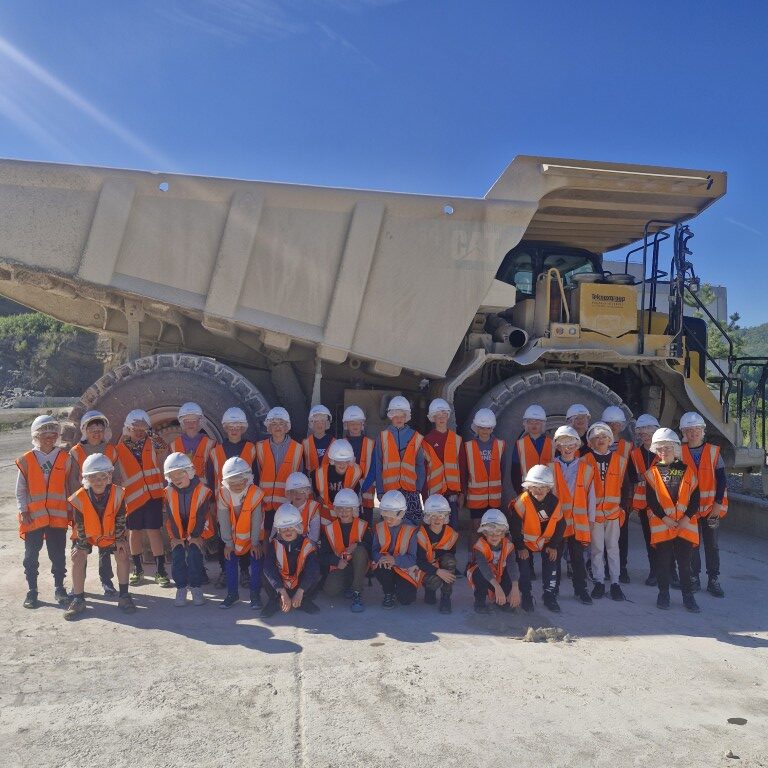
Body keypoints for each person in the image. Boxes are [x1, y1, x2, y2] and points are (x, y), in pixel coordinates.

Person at [64, 453, 136, 619]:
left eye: (103, 476)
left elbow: (120, 518)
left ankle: (124, 596)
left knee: (122, 553)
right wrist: (81, 545)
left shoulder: (118, 493)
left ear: (109, 476)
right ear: (86, 478)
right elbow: (79, 524)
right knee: (78, 557)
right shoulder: (79, 496)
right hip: (87, 534)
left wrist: (120, 540)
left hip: (110, 533)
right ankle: (78, 599)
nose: (99, 481)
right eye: (94, 477)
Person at [15, 415, 71, 609]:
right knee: (30, 556)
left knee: (58, 555)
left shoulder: (64, 457)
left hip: (57, 515)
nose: (49, 438)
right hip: (34, 516)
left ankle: (59, 588)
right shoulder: (27, 459)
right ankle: (32, 591)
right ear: (36, 436)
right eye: (44, 434)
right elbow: (21, 489)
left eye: (53, 434)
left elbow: (69, 486)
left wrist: (70, 510)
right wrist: (23, 509)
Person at [643, 428, 701, 612]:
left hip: (684, 525)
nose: (664, 451)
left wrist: (686, 518)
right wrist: (665, 518)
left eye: (667, 447)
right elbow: (651, 500)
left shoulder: (687, 471)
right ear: (655, 450)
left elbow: (695, 498)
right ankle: (663, 594)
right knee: (663, 563)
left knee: (685, 565)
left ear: (675, 448)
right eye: (660, 448)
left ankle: (688, 597)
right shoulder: (652, 473)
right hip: (663, 525)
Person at [114, 409, 169, 587]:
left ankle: (161, 570)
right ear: (127, 429)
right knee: (134, 532)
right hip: (133, 497)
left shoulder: (152, 442)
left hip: (153, 495)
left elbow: (164, 447)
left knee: (154, 531)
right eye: (134, 429)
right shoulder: (119, 448)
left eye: (142, 429)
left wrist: (150, 431)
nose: (138, 432)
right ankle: (137, 569)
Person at [68, 410, 120, 596]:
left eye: (100, 429)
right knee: (80, 545)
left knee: (105, 544)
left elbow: (117, 477)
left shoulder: (111, 450)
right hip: (84, 504)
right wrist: (76, 504)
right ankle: (77, 584)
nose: (96, 433)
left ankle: (106, 581)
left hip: (105, 502)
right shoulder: (76, 452)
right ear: (85, 431)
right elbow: (72, 480)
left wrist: (115, 502)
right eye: (92, 429)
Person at [206, 406, 258, 589]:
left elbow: (257, 476)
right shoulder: (215, 451)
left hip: (245, 501)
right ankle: (226, 571)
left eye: (238, 426)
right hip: (223, 502)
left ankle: (244, 571)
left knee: (244, 535)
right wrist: (212, 502)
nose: (234, 429)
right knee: (225, 537)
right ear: (225, 427)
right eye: (230, 426)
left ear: (243, 427)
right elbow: (210, 477)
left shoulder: (251, 449)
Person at [680, 412, 727, 598]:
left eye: (696, 430)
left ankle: (713, 579)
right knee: (692, 545)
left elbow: (722, 481)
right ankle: (694, 578)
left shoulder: (714, 452)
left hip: (710, 509)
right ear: (684, 432)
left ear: (702, 431)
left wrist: (717, 505)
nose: (693, 433)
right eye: (689, 430)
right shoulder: (680, 453)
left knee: (712, 545)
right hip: (689, 510)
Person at [583, 422, 630, 602]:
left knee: (612, 547)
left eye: (604, 437)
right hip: (594, 514)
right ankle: (599, 582)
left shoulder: (620, 460)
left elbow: (625, 487)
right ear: (590, 442)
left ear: (610, 440)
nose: (601, 440)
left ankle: (615, 583)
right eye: (596, 437)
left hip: (613, 513)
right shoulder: (585, 460)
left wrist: (623, 508)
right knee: (596, 549)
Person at [512, 465, 566, 613]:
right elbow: (514, 527)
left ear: (549, 488)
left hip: (547, 542)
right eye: (535, 486)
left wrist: (553, 545)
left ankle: (549, 595)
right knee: (524, 569)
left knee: (552, 564)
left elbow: (561, 525)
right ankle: (526, 596)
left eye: (543, 487)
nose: (539, 490)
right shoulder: (522, 501)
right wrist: (520, 547)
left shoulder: (554, 502)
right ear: (528, 487)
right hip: (526, 542)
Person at [551, 425, 595, 605]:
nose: (567, 447)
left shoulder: (586, 469)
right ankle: (552, 589)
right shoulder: (550, 468)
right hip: (558, 521)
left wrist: (591, 520)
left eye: (571, 444)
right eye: (563, 444)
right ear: (558, 446)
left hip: (578, 522)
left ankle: (581, 589)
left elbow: (591, 496)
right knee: (554, 557)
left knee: (578, 558)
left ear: (577, 445)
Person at [163, 452, 214, 607]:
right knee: (177, 555)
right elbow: (171, 517)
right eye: (172, 475)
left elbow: (201, 516)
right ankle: (181, 588)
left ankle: (196, 587)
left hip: (198, 529)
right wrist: (176, 538)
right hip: (178, 530)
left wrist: (195, 537)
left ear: (190, 472)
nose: (176, 478)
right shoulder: (168, 492)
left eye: (180, 473)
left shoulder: (202, 490)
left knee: (194, 554)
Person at [217, 456, 265, 610]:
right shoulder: (224, 493)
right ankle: (232, 594)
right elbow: (223, 519)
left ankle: (255, 595)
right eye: (233, 483)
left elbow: (256, 519)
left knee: (256, 562)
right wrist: (228, 543)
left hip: (253, 538)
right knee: (229, 561)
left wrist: (255, 543)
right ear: (226, 482)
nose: (237, 485)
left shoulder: (255, 492)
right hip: (232, 539)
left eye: (240, 481)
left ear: (247, 478)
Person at [261, 503, 321, 618]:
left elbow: (312, 570)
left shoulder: (307, 545)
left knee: (315, 572)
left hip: (300, 587)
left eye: (291, 527)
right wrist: (282, 592)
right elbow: (268, 568)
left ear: (298, 527)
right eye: (283, 528)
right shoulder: (274, 544)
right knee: (265, 571)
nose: (287, 531)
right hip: (281, 586)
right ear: (278, 529)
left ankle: (303, 600)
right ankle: (275, 601)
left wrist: (301, 591)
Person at [375, 396, 426, 527]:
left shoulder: (415, 436)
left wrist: (418, 487)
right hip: (389, 490)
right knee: (390, 524)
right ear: (390, 416)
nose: (399, 418)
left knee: (413, 525)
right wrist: (380, 490)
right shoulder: (382, 436)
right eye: (395, 415)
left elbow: (420, 464)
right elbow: (378, 465)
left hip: (410, 490)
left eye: (402, 415)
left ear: (407, 416)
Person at [464, 408, 512, 546]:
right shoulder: (468, 446)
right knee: (476, 528)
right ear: (476, 427)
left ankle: (490, 554)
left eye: (488, 428)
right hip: (476, 497)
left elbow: (503, 469)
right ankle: (474, 554)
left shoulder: (500, 444)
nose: (485, 431)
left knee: (492, 528)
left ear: (492, 428)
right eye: (481, 427)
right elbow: (465, 471)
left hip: (494, 496)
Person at [255, 407, 304, 540]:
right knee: (265, 535)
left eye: (281, 423)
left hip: (286, 503)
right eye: (274, 424)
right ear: (269, 427)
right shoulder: (260, 447)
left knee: (282, 537)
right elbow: (258, 474)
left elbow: (300, 476)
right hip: (265, 502)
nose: (277, 427)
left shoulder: (297, 448)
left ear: (287, 427)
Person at [320, 488, 371, 613]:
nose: (344, 512)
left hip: (359, 565)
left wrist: (357, 544)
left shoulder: (363, 525)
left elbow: (371, 547)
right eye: (340, 508)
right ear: (336, 510)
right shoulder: (329, 529)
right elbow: (322, 556)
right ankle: (350, 584)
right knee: (330, 590)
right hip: (341, 566)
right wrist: (336, 561)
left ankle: (357, 592)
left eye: (348, 508)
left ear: (354, 509)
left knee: (360, 550)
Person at [371, 490, 421, 609]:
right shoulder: (379, 527)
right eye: (385, 516)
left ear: (401, 513)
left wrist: (394, 560)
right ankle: (389, 593)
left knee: (406, 599)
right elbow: (374, 551)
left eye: (392, 516)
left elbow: (413, 559)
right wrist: (382, 558)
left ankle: (399, 585)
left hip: (404, 567)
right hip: (386, 566)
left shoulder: (411, 530)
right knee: (381, 567)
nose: (388, 520)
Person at [421, 398, 466, 531]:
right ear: (432, 417)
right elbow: (423, 470)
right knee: (435, 529)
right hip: (434, 495)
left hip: (452, 494)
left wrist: (462, 493)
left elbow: (462, 468)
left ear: (448, 416)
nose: (441, 418)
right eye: (438, 415)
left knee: (453, 528)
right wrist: (425, 497)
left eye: (444, 414)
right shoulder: (426, 441)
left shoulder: (457, 440)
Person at [466, 508, 521, 614]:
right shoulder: (479, 546)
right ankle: (479, 603)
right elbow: (484, 568)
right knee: (479, 573)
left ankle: (500, 600)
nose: (494, 536)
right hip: (484, 575)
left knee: (512, 573)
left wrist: (515, 588)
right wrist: (497, 587)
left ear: (503, 533)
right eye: (490, 532)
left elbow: (512, 566)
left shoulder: (509, 546)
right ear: (484, 533)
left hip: (499, 574)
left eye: (498, 532)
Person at [601, 406, 633, 583]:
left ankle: (622, 568)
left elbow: (631, 476)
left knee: (622, 535)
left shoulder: (628, 447)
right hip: (601, 499)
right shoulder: (598, 443)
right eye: (610, 423)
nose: (614, 426)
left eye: (617, 423)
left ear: (622, 425)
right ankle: (606, 567)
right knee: (603, 536)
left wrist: (627, 500)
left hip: (620, 499)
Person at [629, 414, 661, 586]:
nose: (646, 436)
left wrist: (646, 476)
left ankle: (671, 573)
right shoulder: (635, 454)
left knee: (666, 539)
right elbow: (632, 477)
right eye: (642, 433)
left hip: (664, 504)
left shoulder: (664, 451)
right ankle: (654, 571)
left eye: (649, 433)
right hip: (644, 504)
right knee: (650, 539)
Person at [416, 494, 458, 614]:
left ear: (446, 517)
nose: (437, 519)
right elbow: (419, 561)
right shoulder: (420, 534)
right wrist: (438, 571)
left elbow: (451, 555)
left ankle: (446, 597)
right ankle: (430, 590)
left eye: (441, 515)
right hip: (425, 566)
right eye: (433, 515)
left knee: (450, 562)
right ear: (427, 517)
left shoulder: (451, 533)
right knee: (433, 581)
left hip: (439, 563)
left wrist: (443, 568)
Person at [342, 405, 376, 525]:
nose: (355, 426)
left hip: (366, 492)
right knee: (347, 523)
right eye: (352, 423)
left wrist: (365, 485)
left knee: (365, 525)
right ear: (346, 425)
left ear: (362, 424)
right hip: (346, 490)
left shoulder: (371, 444)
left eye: (358, 423)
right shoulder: (340, 444)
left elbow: (374, 468)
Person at [314, 439, 362, 524]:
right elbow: (314, 481)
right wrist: (318, 495)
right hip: (326, 511)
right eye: (338, 461)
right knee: (328, 531)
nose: (342, 464)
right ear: (332, 460)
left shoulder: (355, 472)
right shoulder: (322, 472)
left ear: (350, 460)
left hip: (345, 511)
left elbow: (356, 490)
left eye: (345, 461)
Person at [510, 404, 553, 493]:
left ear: (543, 424)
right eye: (530, 422)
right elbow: (515, 472)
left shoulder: (552, 444)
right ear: (526, 424)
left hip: (547, 491)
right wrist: (519, 491)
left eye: (537, 423)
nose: (534, 425)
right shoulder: (519, 444)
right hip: (527, 490)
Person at [169, 402, 216, 481]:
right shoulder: (173, 445)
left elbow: (214, 471)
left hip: (202, 487)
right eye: (187, 421)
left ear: (200, 422)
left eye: (194, 421)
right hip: (181, 487)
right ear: (182, 422)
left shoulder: (210, 444)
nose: (191, 424)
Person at [285, 472, 322, 545]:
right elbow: (278, 533)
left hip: (307, 545)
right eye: (294, 491)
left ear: (308, 492)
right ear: (289, 493)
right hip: (288, 544)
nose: (298, 495)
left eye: (302, 491)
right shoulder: (284, 508)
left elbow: (314, 538)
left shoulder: (313, 508)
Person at [302, 404, 334, 476]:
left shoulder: (334, 443)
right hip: (310, 481)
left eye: (322, 421)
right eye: (316, 421)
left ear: (327, 423)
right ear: (311, 423)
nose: (319, 425)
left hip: (328, 480)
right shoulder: (305, 443)